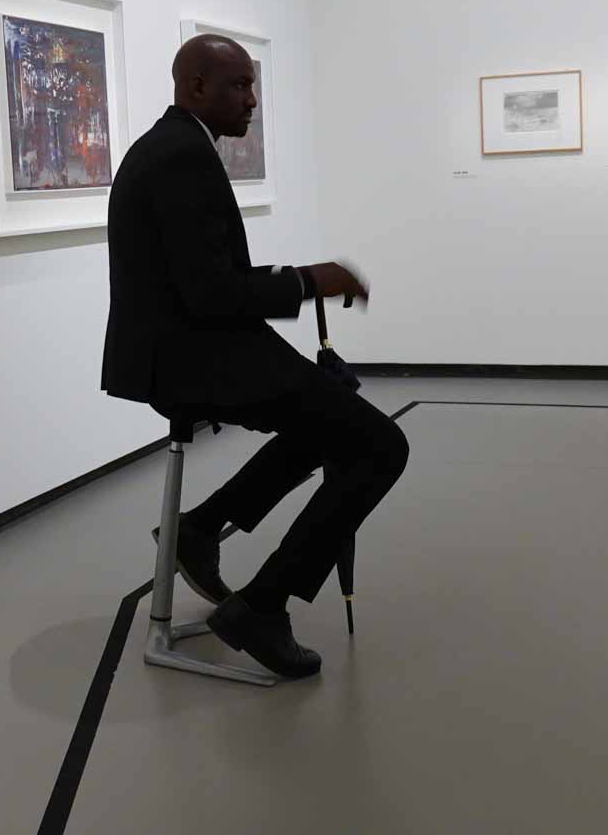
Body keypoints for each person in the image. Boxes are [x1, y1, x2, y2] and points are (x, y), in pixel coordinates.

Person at [101, 34, 410, 680]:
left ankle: (201, 529)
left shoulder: (177, 146)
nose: (251, 100)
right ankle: (263, 607)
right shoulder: (181, 155)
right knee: (381, 446)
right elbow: (211, 293)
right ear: (196, 86)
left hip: (191, 349)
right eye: (238, 85)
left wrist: (300, 279)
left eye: (252, 85)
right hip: (193, 360)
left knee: (332, 420)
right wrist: (309, 280)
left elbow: (203, 277)